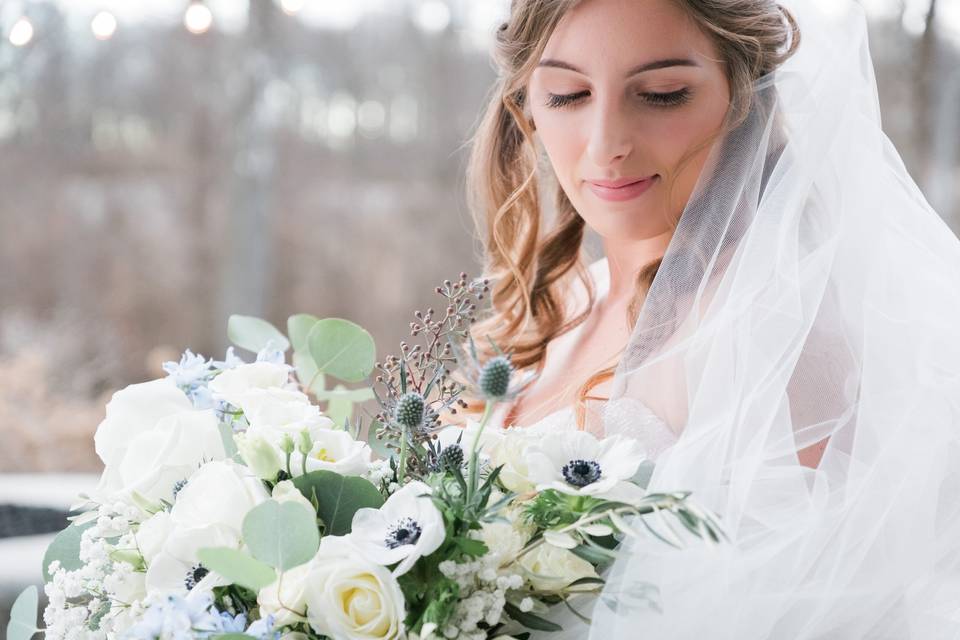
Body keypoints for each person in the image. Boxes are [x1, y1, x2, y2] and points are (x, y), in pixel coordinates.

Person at [464, 0, 960, 637]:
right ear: (527, 105)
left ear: (743, 98)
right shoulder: (563, 303)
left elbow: (833, 614)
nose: (607, 143)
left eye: (663, 94)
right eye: (567, 95)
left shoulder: (771, 327)